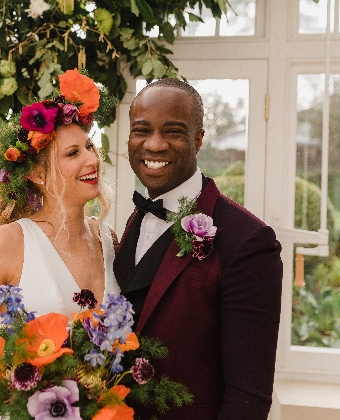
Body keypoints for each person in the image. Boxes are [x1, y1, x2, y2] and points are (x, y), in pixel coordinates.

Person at [0, 70, 120, 419]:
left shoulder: (108, 240)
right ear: (36, 174)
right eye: (72, 154)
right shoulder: (4, 244)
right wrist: (24, 405)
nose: (92, 160)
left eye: (90, 146)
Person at [113, 78, 283, 419]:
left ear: (198, 139)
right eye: (141, 130)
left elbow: (248, 395)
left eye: (173, 131)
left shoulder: (248, 241)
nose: (154, 144)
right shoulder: (135, 219)